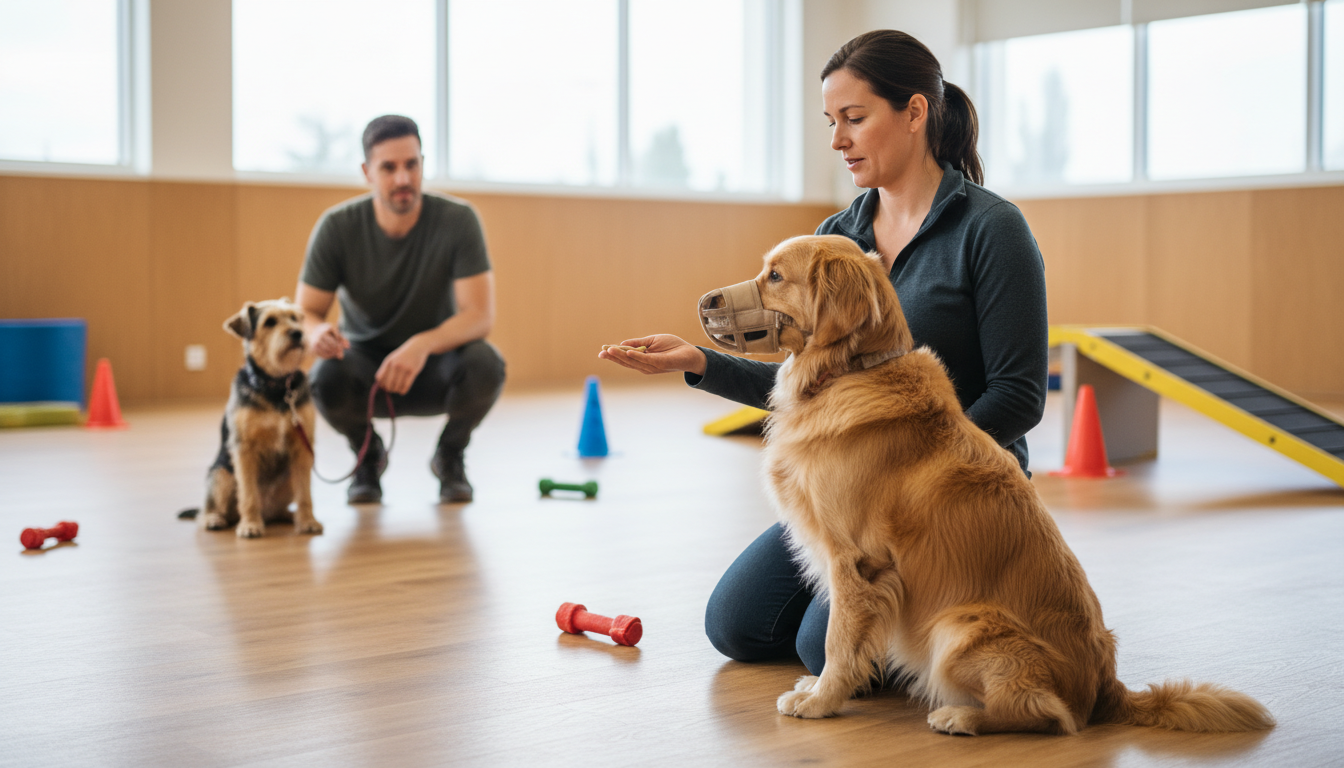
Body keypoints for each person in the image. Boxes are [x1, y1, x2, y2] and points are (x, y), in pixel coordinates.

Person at [599, 31, 1048, 677]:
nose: (837, 140)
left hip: (951, 499)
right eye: (831, 121)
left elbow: (1018, 396)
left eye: (854, 118)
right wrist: (697, 362)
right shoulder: (835, 237)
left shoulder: (992, 229)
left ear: (915, 112)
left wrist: (911, 482)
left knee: (819, 649)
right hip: (849, 487)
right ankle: (892, 631)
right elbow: (803, 387)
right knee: (735, 625)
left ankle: (943, 634)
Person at [297, 114, 506, 505]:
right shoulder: (337, 227)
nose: (403, 178)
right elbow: (306, 312)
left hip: (435, 364)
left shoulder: (459, 220)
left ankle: (450, 456)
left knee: (486, 364)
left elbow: (479, 316)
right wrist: (316, 332)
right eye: (388, 167)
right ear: (367, 172)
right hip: (365, 371)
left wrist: (421, 345)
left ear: (423, 163)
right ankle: (367, 456)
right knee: (324, 378)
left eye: (412, 164)